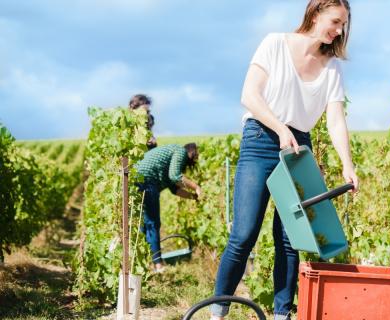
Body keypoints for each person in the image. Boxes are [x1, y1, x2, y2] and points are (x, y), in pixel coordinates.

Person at [210, 1, 358, 319]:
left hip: (297, 147)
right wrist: (279, 128)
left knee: (291, 238)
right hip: (261, 139)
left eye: (343, 24)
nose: (339, 30)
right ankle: (216, 311)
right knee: (244, 234)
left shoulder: (332, 67)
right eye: (335, 21)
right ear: (315, 14)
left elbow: (335, 120)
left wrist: (347, 164)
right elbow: (250, 95)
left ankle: (281, 314)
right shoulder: (274, 43)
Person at [135, 143, 203, 272]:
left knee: (144, 224)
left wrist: (193, 197)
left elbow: (175, 189)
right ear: (191, 152)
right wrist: (197, 187)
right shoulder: (180, 151)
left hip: (137, 178)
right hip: (147, 180)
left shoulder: (170, 160)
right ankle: (158, 265)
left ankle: (144, 263)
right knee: (153, 223)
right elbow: (175, 176)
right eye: (196, 156)